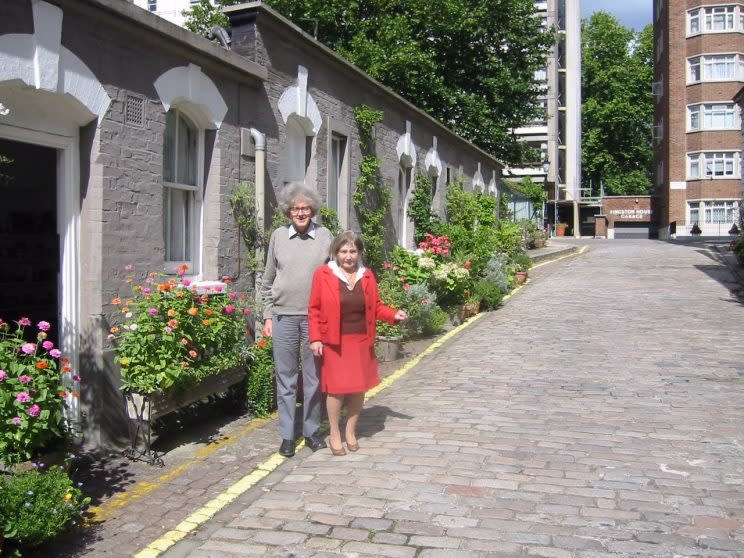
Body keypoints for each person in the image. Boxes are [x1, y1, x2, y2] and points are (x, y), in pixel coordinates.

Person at [308, 231, 407, 456]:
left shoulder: (368, 276)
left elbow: (377, 306)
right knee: (336, 390)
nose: (348, 256)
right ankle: (334, 433)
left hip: (361, 340)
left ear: (359, 252)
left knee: (357, 389)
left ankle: (350, 431)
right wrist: (315, 337)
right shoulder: (323, 274)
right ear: (335, 252)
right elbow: (313, 309)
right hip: (335, 342)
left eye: (353, 251)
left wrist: (394, 315)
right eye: (343, 251)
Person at [260, 183, 333, 457]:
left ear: (312, 210)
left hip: (315, 319)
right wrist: (268, 315)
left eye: (305, 208)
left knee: (313, 380)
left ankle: (312, 431)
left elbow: (337, 275)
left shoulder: (325, 236)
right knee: (286, 379)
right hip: (283, 317)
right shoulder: (278, 236)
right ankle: (287, 435)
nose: (300, 213)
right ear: (288, 212)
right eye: (295, 209)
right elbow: (267, 280)